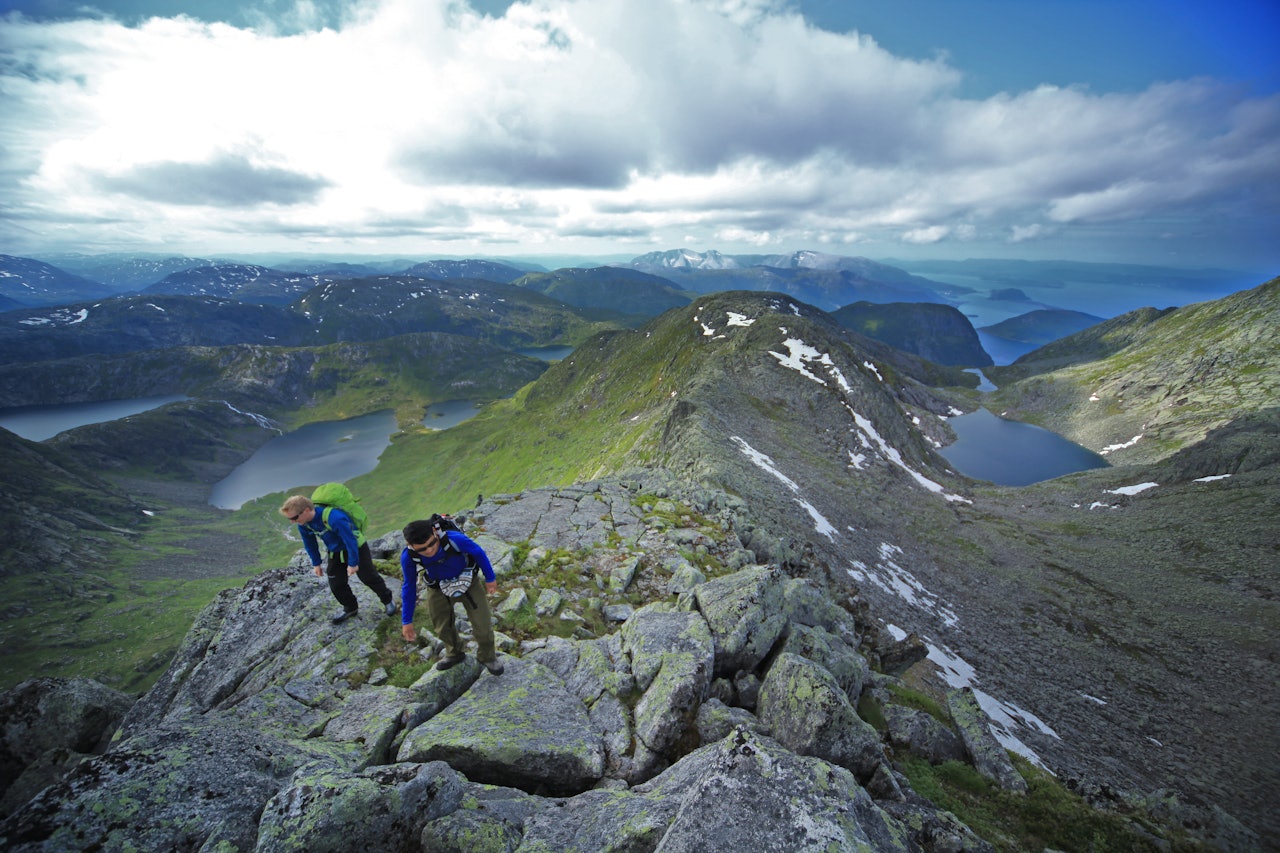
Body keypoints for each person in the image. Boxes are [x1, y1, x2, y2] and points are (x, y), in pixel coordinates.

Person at [400, 518, 503, 675]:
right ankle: (454, 652)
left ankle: (488, 657)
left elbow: (478, 552)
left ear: (435, 532)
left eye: (431, 543)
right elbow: (409, 586)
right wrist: (407, 621)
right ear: (410, 545)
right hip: (438, 588)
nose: (429, 550)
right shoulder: (408, 557)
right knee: (442, 627)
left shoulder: (455, 539)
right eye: (422, 549)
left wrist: (490, 578)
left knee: (483, 625)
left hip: (469, 583)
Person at [280, 495, 397, 624]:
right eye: (290, 519)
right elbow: (310, 544)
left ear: (306, 510)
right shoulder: (304, 524)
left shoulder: (334, 517)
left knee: (368, 577)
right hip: (335, 551)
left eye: (294, 518)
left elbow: (350, 540)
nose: (292, 522)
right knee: (336, 584)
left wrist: (353, 563)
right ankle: (350, 608)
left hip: (356, 547)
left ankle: (388, 600)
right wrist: (316, 563)